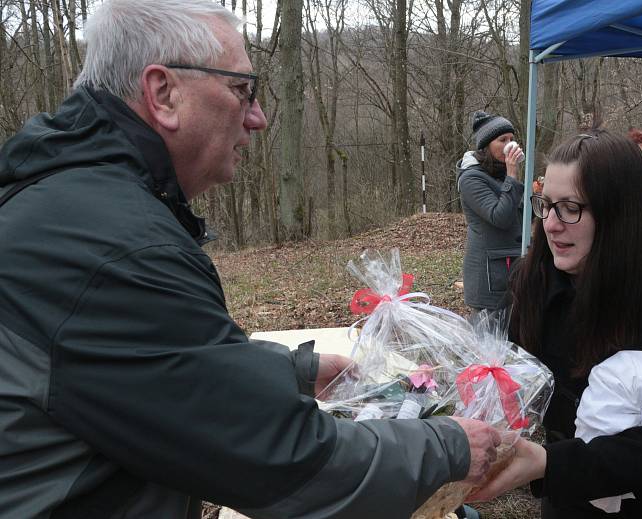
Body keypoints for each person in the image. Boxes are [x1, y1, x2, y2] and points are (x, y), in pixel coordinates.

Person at [0, 1, 501, 517]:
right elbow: (285, 463)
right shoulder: (117, 246)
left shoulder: (68, 206)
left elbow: (154, 366)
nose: (258, 118)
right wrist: (449, 446)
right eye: (243, 91)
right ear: (163, 93)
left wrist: (298, 370)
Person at [467, 130, 642, 518]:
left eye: (570, 208)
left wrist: (550, 464)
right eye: (546, 204)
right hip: (573, 489)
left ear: (619, 211)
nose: (550, 224)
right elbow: (494, 361)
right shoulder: (533, 280)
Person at [457, 111, 525, 311]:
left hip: (511, 269)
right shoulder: (471, 178)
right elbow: (500, 217)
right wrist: (513, 175)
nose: (509, 144)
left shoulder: (502, 174)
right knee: (488, 340)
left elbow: (520, 218)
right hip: (489, 277)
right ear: (486, 145)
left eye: (512, 139)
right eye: (502, 140)